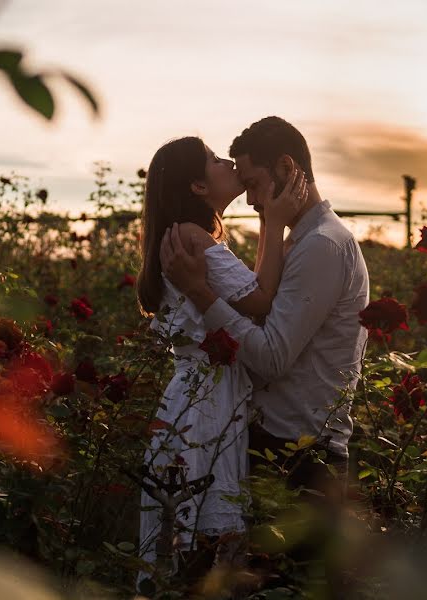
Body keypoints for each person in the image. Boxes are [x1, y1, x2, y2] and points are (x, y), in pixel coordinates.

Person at [160, 116, 370, 505]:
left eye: (254, 184)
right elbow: (259, 299)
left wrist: (200, 294)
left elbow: (272, 357)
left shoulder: (323, 245)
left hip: (303, 456)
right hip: (279, 447)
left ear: (287, 168)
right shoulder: (297, 243)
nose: (251, 200)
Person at [135, 135, 307, 588]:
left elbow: (242, 290)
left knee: (186, 530)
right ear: (196, 186)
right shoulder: (193, 235)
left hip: (192, 396)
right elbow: (262, 299)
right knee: (205, 536)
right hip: (208, 403)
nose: (226, 161)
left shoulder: (187, 234)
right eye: (213, 159)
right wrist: (274, 222)